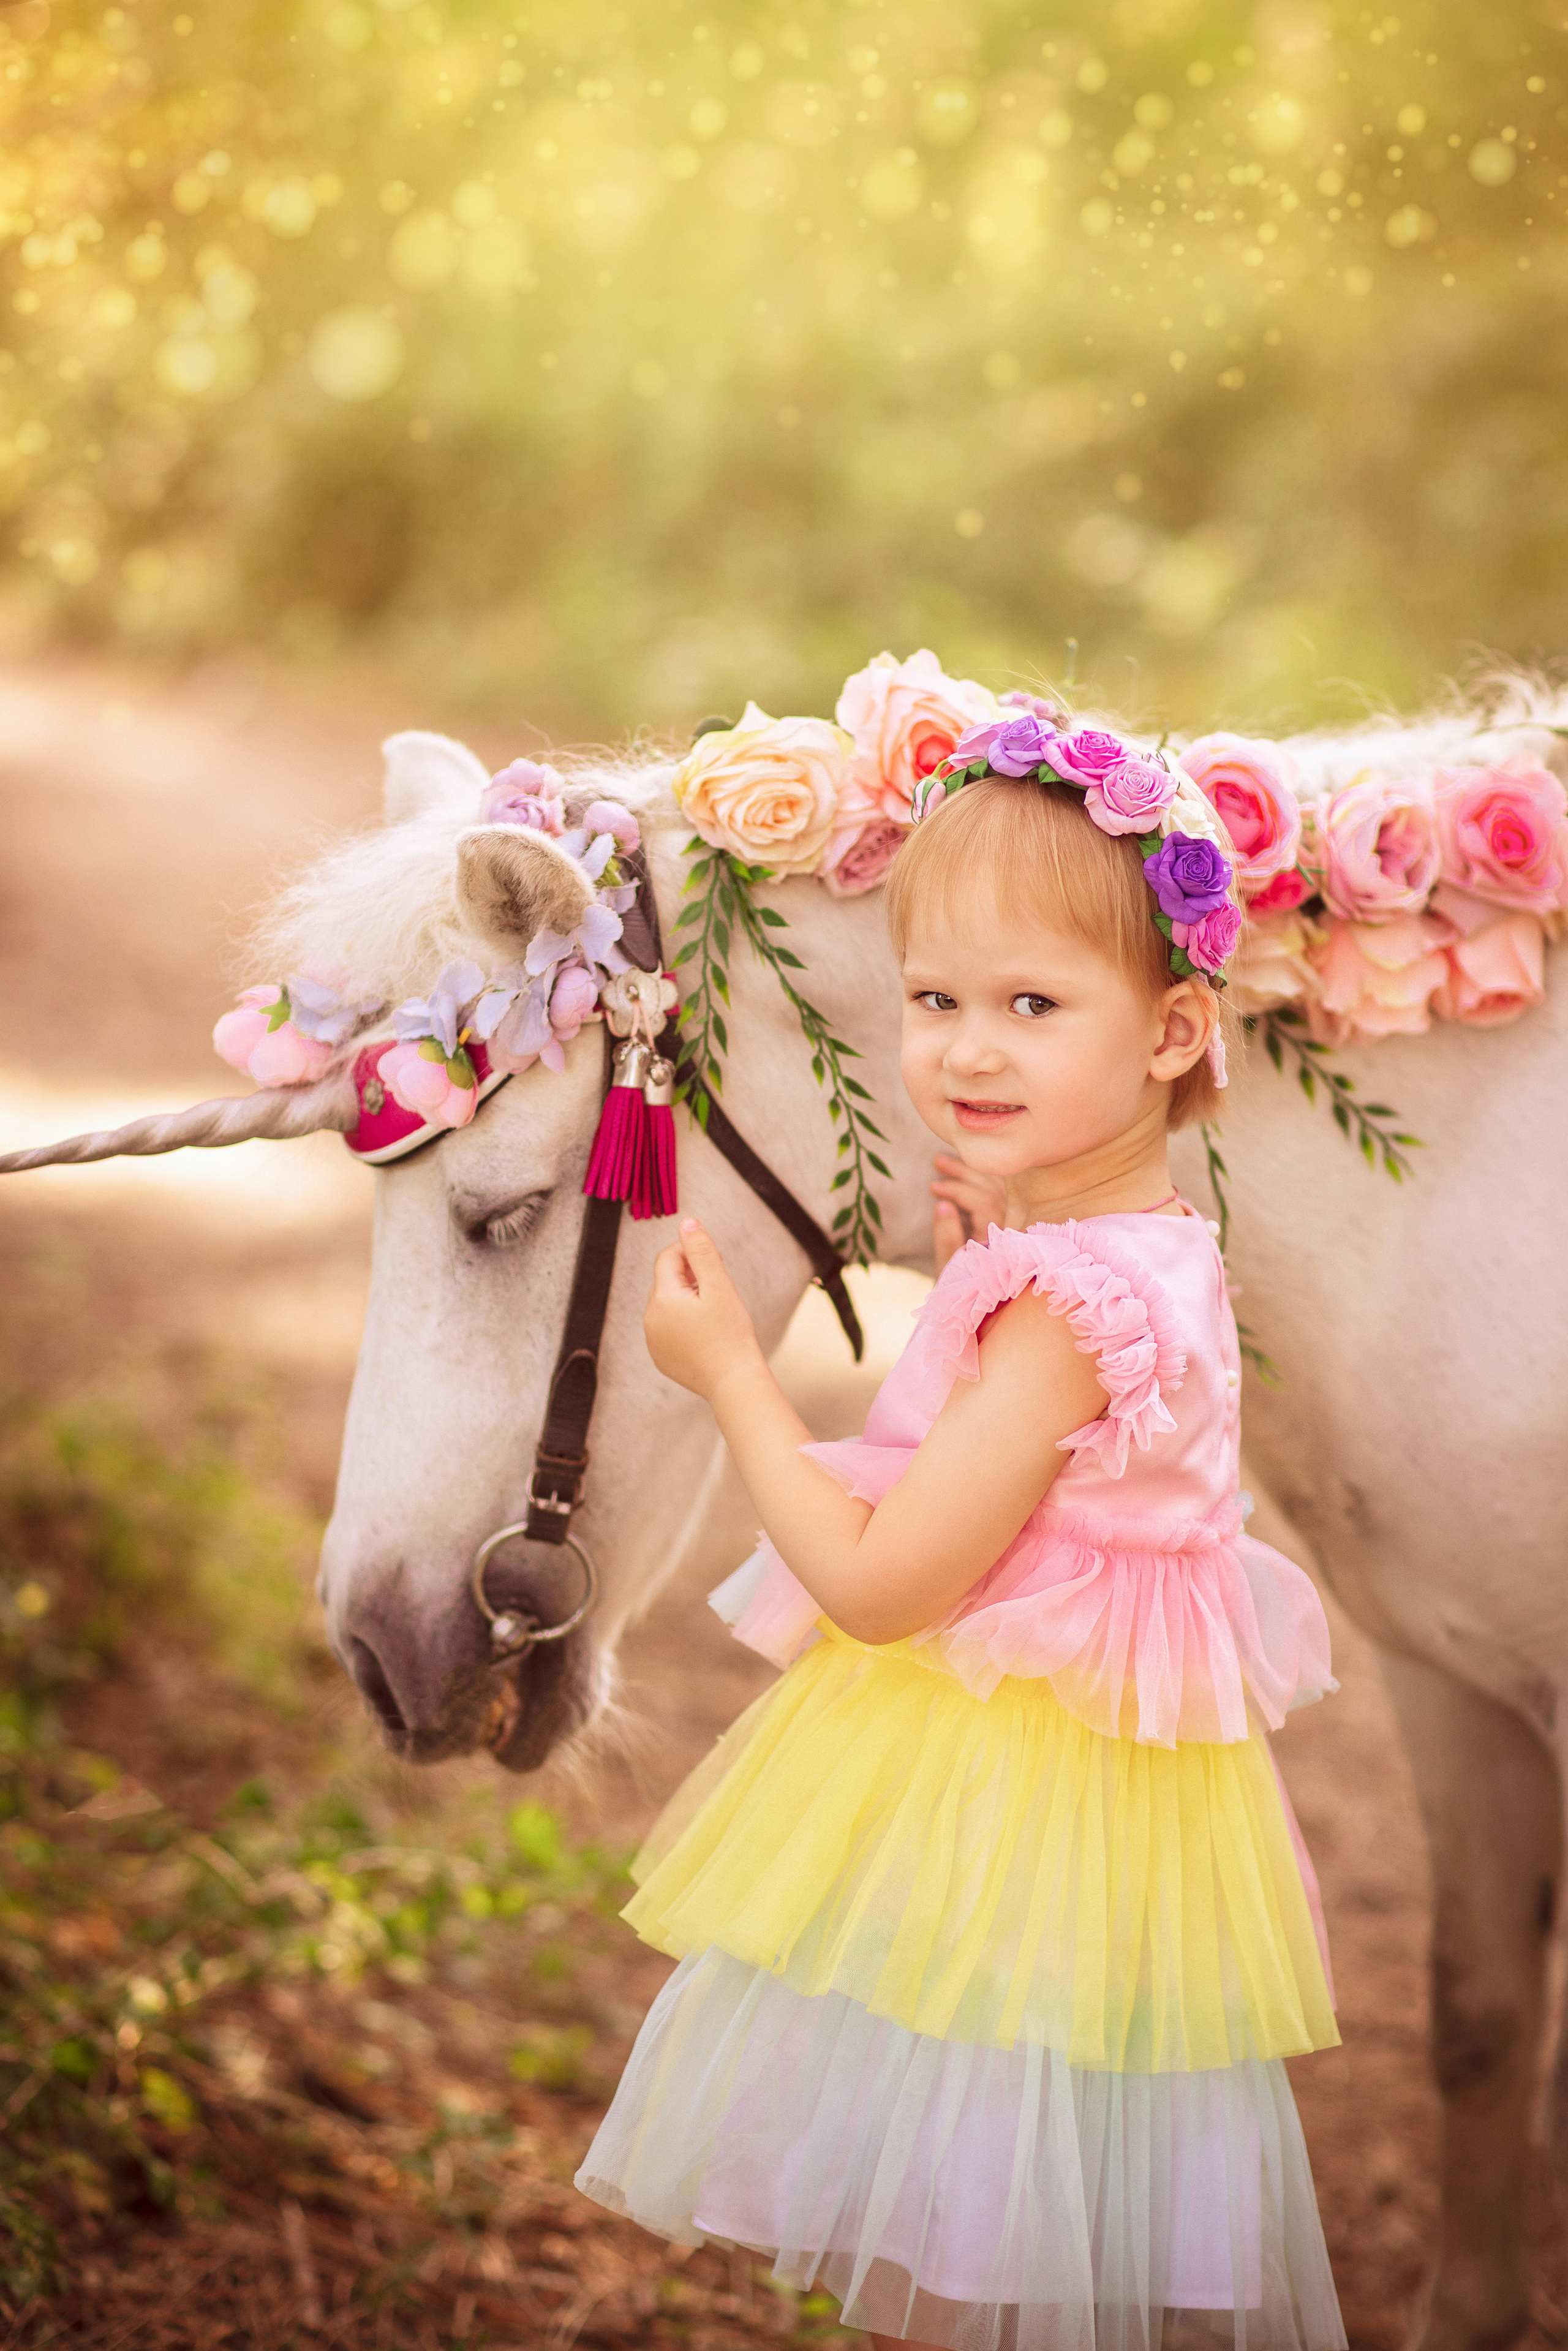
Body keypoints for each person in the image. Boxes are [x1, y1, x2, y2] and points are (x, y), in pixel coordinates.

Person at [576, 734, 1346, 2351]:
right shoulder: (1131, 1247)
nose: (966, 1050)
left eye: (1033, 1004)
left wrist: (733, 1380)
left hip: (1011, 1812)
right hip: (1081, 1807)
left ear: (1174, 1030)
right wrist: (994, 1257)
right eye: (935, 998)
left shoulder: (1067, 1311)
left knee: (969, 2238)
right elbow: (1045, 1459)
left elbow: (875, 1590)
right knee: (999, 2221)